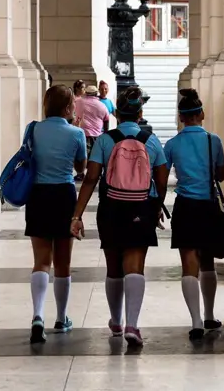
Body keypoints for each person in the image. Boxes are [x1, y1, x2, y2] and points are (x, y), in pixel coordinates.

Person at [70, 86, 170, 347]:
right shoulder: (151, 140)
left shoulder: (105, 140)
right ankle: (132, 325)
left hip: (111, 207)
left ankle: (115, 320)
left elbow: (91, 178)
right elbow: (161, 180)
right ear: (140, 113)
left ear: (118, 114)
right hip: (141, 207)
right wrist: (156, 206)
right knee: (135, 265)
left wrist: (77, 214)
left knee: (113, 266)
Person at [25, 84, 87, 344]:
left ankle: (37, 315)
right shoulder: (76, 133)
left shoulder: (34, 129)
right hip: (63, 195)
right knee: (63, 262)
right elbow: (81, 166)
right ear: (68, 107)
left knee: (41, 260)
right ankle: (61, 318)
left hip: (37, 195)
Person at [163, 88, 224, 340]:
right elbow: (220, 175)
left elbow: (162, 173)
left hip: (185, 205)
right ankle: (210, 315)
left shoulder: (173, 144)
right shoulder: (214, 140)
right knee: (208, 261)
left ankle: (196, 321)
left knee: (189, 263)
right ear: (201, 114)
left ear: (181, 118)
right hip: (208, 204)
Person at [75, 85, 110, 160]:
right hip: (96, 136)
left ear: (86, 93)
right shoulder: (102, 106)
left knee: (82, 159)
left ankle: (80, 171)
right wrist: (106, 135)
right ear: (96, 94)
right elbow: (106, 121)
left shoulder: (78, 102)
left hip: (81, 135)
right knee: (94, 160)